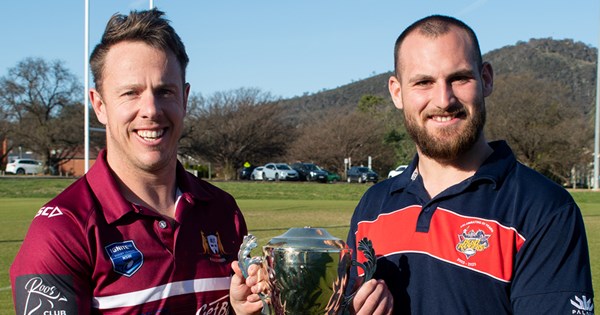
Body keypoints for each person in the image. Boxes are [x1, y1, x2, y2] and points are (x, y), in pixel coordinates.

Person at [10, 9, 261, 314]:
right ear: (99, 105)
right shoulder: (61, 231)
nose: (151, 110)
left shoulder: (223, 210)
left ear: (185, 98)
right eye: (130, 93)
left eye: (164, 91)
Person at [347, 14, 594, 314]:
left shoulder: (544, 210)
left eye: (459, 78)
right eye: (423, 82)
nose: (443, 99)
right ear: (397, 92)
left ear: (486, 79)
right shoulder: (371, 208)